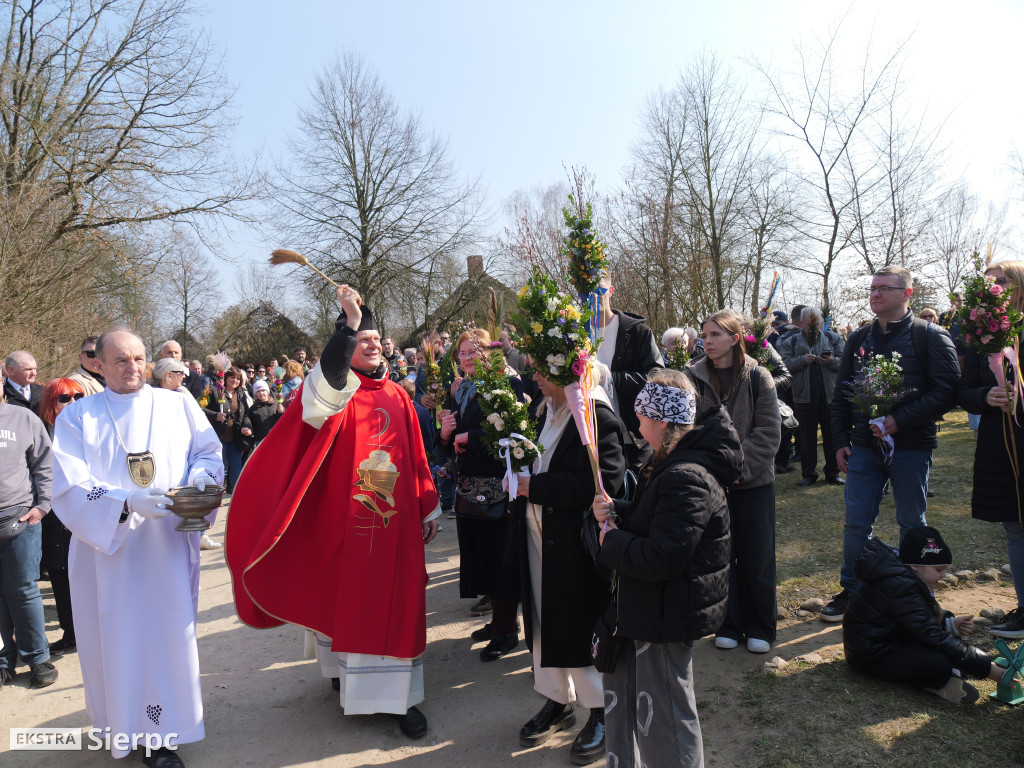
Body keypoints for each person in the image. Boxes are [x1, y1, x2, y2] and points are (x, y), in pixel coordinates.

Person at [227, 286, 440, 740]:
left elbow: (417, 456)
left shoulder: (399, 395)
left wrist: (428, 506)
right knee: (346, 597)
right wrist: (349, 322)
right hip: (346, 521)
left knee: (398, 604)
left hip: (395, 524)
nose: (373, 344)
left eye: (376, 338)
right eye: (362, 339)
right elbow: (324, 386)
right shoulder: (338, 391)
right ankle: (346, 677)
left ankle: (399, 701)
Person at [51, 328, 224, 767]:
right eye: (121, 360)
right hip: (107, 554)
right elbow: (69, 484)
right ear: (99, 364)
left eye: (139, 358)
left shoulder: (177, 403)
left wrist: (201, 478)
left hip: (166, 546)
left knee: (165, 638)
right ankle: (125, 728)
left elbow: (208, 453)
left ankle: (163, 734)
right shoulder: (79, 416)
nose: (133, 367)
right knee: (118, 640)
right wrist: (125, 502)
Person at [592, 370, 742, 767]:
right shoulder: (669, 464)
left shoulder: (686, 476)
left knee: (665, 717)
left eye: (641, 414)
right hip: (649, 607)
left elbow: (663, 555)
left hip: (665, 613)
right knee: (639, 704)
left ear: (660, 420)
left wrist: (611, 541)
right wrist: (619, 510)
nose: (636, 422)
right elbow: (658, 519)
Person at [822, 266, 959, 623]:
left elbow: (947, 391)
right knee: (856, 524)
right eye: (872, 288)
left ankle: (913, 595)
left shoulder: (931, 335)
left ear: (907, 293)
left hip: (911, 446)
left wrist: (898, 420)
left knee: (911, 522)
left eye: (884, 288)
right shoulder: (859, 338)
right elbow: (842, 395)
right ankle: (852, 589)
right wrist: (840, 441)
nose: (875, 294)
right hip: (863, 448)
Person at [513, 361, 626, 765]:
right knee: (543, 619)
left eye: (542, 371)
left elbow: (606, 481)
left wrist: (536, 487)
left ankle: (600, 710)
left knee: (578, 623)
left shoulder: (595, 415)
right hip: (537, 533)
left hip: (573, 543)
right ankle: (556, 699)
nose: (535, 378)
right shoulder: (543, 409)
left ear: (567, 373)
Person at [687, 309, 781, 653]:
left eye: (715, 334)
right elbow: (688, 429)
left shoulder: (759, 377)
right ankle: (728, 623)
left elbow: (768, 431)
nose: (707, 341)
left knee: (757, 556)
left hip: (754, 485)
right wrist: (711, 470)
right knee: (720, 556)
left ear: (735, 338)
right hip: (713, 485)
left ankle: (761, 626)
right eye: (704, 335)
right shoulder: (692, 377)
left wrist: (740, 469)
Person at [842, 527, 1004, 703]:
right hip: (870, 656)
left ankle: (947, 674)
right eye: (939, 569)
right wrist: (988, 669)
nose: (944, 575)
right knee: (939, 662)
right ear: (915, 565)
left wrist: (949, 623)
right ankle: (937, 681)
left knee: (951, 652)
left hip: (891, 641)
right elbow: (930, 633)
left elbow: (918, 618)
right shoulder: (900, 586)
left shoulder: (902, 577)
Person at [438, 329, 523, 659]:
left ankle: (507, 631)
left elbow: (514, 436)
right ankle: (498, 622)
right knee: (482, 559)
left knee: (500, 560)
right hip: (468, 487)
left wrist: (469, 438)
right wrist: (445, 435)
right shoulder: (460, 391)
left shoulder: (508, 384)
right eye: (462, 353)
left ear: (490, 351)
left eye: (473, 351)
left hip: (497, 487)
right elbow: (447, 440)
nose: (467, 357)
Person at [957, 259, 1024, 639]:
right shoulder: (980, 336)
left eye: (1000, 282)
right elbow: (963, 392)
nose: (992, 289)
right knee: (1014, 525)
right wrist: (987, 395)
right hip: (1000, 441)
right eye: (987, 284)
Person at [0, 391, 57, 690]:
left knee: (22, 589)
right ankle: (3, 661)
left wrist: (43, 505)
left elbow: (45, 463)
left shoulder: (23, 418)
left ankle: (38, 658)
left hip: (19, 517)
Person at [590, 272, 665, 472]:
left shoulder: (637, 332)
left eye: (599, 290)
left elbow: (658, 378)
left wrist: (610, 378)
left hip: (631, 436)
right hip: (587, 435)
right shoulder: (573, 334)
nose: (594, 296)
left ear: (611, 291)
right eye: (587, 291)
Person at [38, 378, 85, 657]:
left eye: (78, 396)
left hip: (87, 509)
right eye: (64, 398)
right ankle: (71, 632)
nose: (72, 402)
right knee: (60, 572)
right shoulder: (40, 430)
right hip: (53, 513)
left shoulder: (91, 427)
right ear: (50, 402)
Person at [778, 305, 845, 487]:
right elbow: (783, 366)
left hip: (830, 397)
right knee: (807, 439)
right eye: (809, 324)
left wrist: (831, 361)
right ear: (801, 323)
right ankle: (809, 474)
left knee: (831, 437)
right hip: (804, 397)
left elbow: (845, 362)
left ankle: (833, 473)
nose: (813, 328)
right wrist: (802, 360)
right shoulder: (790, 342)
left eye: (817, 323)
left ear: (822, 322)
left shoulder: (834, 338)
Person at [203, 366, 252, 494]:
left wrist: (246, 426)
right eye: (232, 377)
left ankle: (236, 492)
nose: (235, 381)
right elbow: (200, 408)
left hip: (235, 437)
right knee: (218, 466)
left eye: (238, 379)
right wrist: (215, 415)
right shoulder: (213, 390)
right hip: (218, 436)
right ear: (225, 378)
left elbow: (246, 413)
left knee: (236, 466)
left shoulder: (241, 394)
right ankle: (214, 492)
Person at [247, 380, 284, 448]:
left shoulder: (276, 404)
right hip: (261, 440)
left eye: (263, 390)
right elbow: (251, 423)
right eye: (258, 391)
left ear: (267, 391)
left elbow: (283, 420)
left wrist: (281, 412)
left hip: (277, 438)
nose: (261, 393)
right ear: (255, 394)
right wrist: (249, 430)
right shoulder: (253, 409)